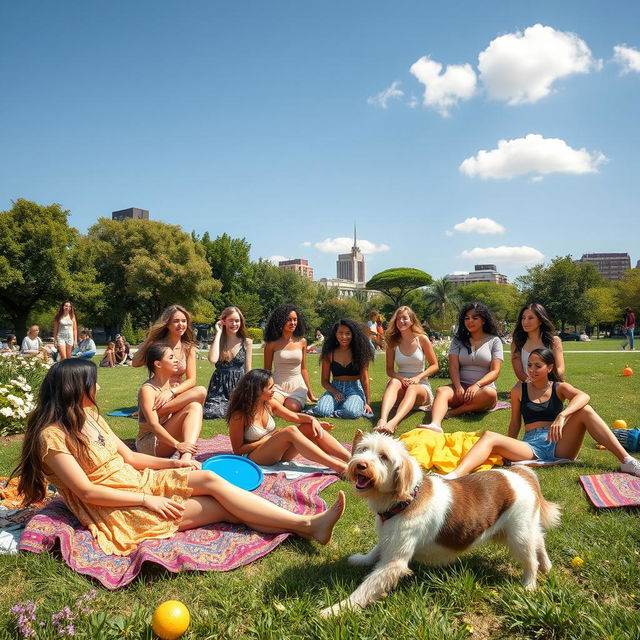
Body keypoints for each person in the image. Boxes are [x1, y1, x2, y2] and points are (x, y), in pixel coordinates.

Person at [12, 359, 345, 557]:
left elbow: (129, 456)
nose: (98, 389)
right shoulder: (50, 437)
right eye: (93, 384)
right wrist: (148, 501)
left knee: (214, 480)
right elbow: (86, 492)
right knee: (228, 507)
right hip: (116, 505)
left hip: (137, 480)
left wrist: (174, 463)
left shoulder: (91, 417)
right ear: (74, 389)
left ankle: (305, 527)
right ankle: (307, 526)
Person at [443, 348, 640, 479]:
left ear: (550, 367)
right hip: (530, 445)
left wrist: (562, 416)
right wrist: (507, 447)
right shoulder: (519, 389)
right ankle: (455, 475)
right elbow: (514, 424)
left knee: (585, 411)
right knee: (489, 436)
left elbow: (583, 396)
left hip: (560, 443)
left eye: (538, 366)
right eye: (530, 365)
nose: (532, 370)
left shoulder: (559, 387)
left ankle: (627, 461)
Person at [228, 369, 350, 474]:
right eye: (270, 387)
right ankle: (339, 467)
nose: (274, 390)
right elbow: (238, 450)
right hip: (253, 457)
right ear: (257, 390)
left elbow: (294, 417)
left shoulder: (269, 403)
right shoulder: (239, 416)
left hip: (276, 453)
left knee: (307, 427)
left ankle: (351, 459)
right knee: (290, 430)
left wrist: (313, 420)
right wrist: (267, 439)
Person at [419, 302, 503, 433]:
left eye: (475, 318)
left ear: (483, 320)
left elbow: (495, 371)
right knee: (442, 391)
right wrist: (458, 386)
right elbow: (453, 367)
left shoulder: (494, 341)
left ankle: (454, 412)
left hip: (482, 390)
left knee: (490, 394)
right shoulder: (458, 340)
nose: (470, 321)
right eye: (466, 318)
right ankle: (435, 424)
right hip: (461, 388)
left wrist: (477, 385)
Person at [132, 305, 207, 416]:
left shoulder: (188, 348)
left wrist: (171, 392)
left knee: (201, 392)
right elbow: (135, 363)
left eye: (184, 321)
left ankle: (150, 413)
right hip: (157, 392)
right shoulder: (157, 345)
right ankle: (150, 412)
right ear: (167, 323)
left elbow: (191, 380)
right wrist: (149, 341)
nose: (181, 324)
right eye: (176, 321)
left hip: (176, 393)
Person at [375, 306, 439, 435]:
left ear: (412, 320)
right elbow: (389, 370)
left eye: (405, 318)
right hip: (400, 383)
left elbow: (434, 365)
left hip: (420, 385)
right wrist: (401, 379)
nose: (401, 322)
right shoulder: (392, 342)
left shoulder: (422, 339)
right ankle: (382, 420)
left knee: (413, 388)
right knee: (393, 382)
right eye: (398, 319)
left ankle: (393, 423)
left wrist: (417, 378)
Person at [137, 344, 203, 461]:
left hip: (166, 438)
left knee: (195, 406)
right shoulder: (147, 390)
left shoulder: (170, 387)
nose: (176, 360)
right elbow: (153, 425)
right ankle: (185, 453)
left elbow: (200, 394)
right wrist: (177, 445)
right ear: (158, 364)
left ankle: (186, 456)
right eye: (171, 357)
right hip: (150, 443)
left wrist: (172, 392)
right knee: (195, 402)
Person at [313, 318, 374, 419]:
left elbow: (364, 379)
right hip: (335, 388)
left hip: (355, 390)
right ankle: (338, 407)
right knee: (322, 410)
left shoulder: (361, 352)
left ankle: (343, 408)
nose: (344, 337)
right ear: (335, 334)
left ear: (353, 334)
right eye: (340, 333)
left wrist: (367, 403)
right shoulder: (329, 353)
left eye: (348, 333)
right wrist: (334, 392)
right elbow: (324, 381)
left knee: (351, 412)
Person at [263, 304, 317, 412]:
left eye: (295, 319)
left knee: (292, 407)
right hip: (277, 385)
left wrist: (310, 394)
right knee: (270, 406)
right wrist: (264, 391)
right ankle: (280, 403)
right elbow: (267, 371)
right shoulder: (271, 344)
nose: (293, 323)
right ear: (280, 321)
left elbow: (303, 369)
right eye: (289, 320)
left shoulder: (302, 341)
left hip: (297, 385)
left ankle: (289, 404)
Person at [203, 306, 253, 420]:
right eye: (231, 321)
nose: (234, 324)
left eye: (237, 321)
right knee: (211, 412)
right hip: (218, 388)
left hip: (238, 386)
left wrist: (248, 391)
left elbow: (248, 369)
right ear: (224, 321)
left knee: (243, 411)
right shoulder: (218, 341)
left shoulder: (246, 342)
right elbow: (212, 359)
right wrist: (219, 332)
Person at [511, 303, 565, 383]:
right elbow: (519, 372)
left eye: (530, 318)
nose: (525, 321)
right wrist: (532, 384)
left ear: (540, 320)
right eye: (523, 318)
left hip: (551, 384)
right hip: (527, 385)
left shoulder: (554, 341)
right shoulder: (517, 342)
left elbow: (560, 368)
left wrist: (546, 384)